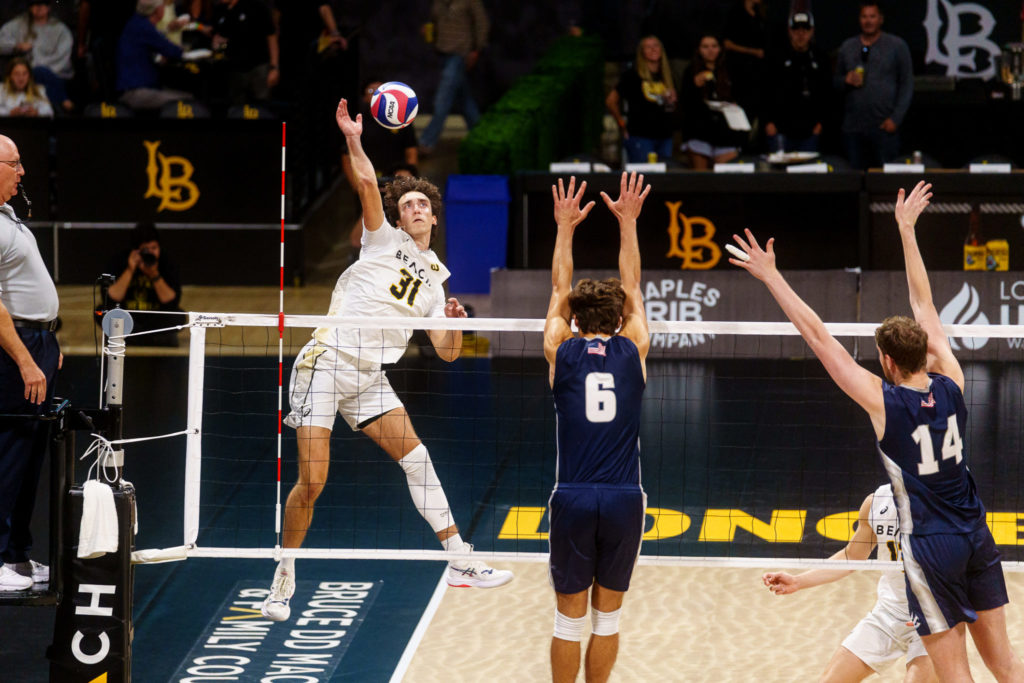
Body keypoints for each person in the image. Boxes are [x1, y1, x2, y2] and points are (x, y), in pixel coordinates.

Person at [730, 180, 1024, 681]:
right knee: (1008, 668)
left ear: (886, 360)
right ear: (926, 351)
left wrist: (772, 276)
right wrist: (907, 230)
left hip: (931, 545)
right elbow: (924, 303)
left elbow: (818, 335)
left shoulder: (884, 403)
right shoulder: (952, 380)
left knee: (955, 676)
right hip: (976, 532)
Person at [261, 97, 514, 622]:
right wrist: (354, 138)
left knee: (417, 459)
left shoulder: (438, 279)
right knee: (313, 482)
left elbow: (445, 355)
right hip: (326, 363)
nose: (415, 209)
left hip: (369, 377)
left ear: (434, 216)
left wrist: (455, 324)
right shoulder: (382, 241)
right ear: (398, 217)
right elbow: (369, 186)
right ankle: (283, 579)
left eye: (423, 204)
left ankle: (459, 558)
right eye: (408, 205)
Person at [543, 172, 651, 683]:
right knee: (608, 617)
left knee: (568, 622)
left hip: (574, 496)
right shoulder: (634, 350)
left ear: (575, 320)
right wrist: (627, 223)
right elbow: (631, 286)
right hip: (625, 496)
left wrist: (565, 227)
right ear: (620, 318)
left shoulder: (560, 352)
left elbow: (560, 287)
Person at [763, 485, 937, 682]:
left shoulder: (950, 502)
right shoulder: (876, 501)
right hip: (888, 615)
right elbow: (852, 556)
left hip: (936, 621)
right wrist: (798, 580)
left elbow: (973, 567)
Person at [0, 133, 60, 591]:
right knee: (10, 451)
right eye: (14, 164)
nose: (22, 172)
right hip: (13, 347)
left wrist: (48, 342)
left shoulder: (9, 216)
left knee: (32, 449)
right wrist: (24, 359)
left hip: (36, 341)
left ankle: (17, 556)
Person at [834, 2, 912, 169]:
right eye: (864, 16)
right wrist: (845, 80)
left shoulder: (896, 46)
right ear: (859, 20)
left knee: (886, 181)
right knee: (854, 179)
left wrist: (895, 119)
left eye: (872, 16)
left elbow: (906, 84)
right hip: (853, 128)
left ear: (880, 19)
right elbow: (834, 83)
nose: (868, 21)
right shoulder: (847, 47)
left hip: (884, 127)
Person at [417, 0, 489, 154]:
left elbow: (482, 23)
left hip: (460, 53)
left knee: (442, 99)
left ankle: (427, 141)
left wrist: (476, 49)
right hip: (442, 52)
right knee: (464, 100)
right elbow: (435, 21)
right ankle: (482, 136)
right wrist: (429, 30)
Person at [102, 222, 183, 347]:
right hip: (128, 317)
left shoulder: (166, 262)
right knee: (101, 312)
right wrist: (130, 270)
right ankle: (147, 338)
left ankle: (140, 337)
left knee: (179, 317)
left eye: (154, 248)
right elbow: (110, 298)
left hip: (155, 319)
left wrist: (154, 275)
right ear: (136, 250)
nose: (150, 253)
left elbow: (172, 302)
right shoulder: (121, 260)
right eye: (146, 249)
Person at [763, 12, 830, 153]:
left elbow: (827, 94)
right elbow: (765, 91)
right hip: (780, 130)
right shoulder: (776, 57)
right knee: (778, 174)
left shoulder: (820, 58)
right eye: (796, 30)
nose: (801, 34)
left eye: (805, 30)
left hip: (810, 132)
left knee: (808, 174)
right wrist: (768, 122)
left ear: (811, 31)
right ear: (790, 31)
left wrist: (820, 125)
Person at [605, 35, 677, 163]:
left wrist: (672, 101)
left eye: (656, 46)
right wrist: (621, 124)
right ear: (641, 52)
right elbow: (611, 101)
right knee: (643, 179)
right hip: (640, 135)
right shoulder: (632, 75)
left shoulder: (668, 75)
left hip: (665, 136)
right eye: (648, 47)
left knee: (663, 180)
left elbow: (674, 106)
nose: (653, 49)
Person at [116, 0, 192, 110]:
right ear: (158, 10)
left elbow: (153, 41)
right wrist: (179, 48)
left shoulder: (135, 22)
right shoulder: (145, 28)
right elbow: (175, 52)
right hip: (137, 92)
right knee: (190, 102)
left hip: (134, 87)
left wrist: (167, 31)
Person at [0, 0, 74, 113]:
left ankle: (57, 109)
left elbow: (63, 59)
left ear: (49, 7)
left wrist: (42, 70)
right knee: (33, 73)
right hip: (25, 74)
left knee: (41, 72)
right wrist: (16, 46)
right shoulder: (19, 25)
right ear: (29, 7)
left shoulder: (60, 30)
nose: (39, 7)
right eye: (35, 4)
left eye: (42, 3)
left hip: (54, 73)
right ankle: (63, 101)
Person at [681, 34, 740, 169]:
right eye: (705, 47)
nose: (710, 50)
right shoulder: (691, 71)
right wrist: (694, 86)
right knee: (701, 179)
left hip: (724, 132)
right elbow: (685, 104)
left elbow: (739, 97)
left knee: (724, 179)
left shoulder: (729, 70)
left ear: (720, 49)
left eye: (714, 46)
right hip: (699, 131)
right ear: (699, 50)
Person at [211, 0, 279, 104]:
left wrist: (274, 67)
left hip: (258, 68)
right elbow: (218, 34)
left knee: (261, 107)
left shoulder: (256, 6)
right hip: (234, 70)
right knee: (236, 108)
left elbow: (271, 36)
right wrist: (216, 40)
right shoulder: (220, 9)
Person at [723, 0, 766, 120]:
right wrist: (753, 51)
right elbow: (727, 43)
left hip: (757, 71)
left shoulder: (759, 14)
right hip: (739, 70)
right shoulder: (735, 13)